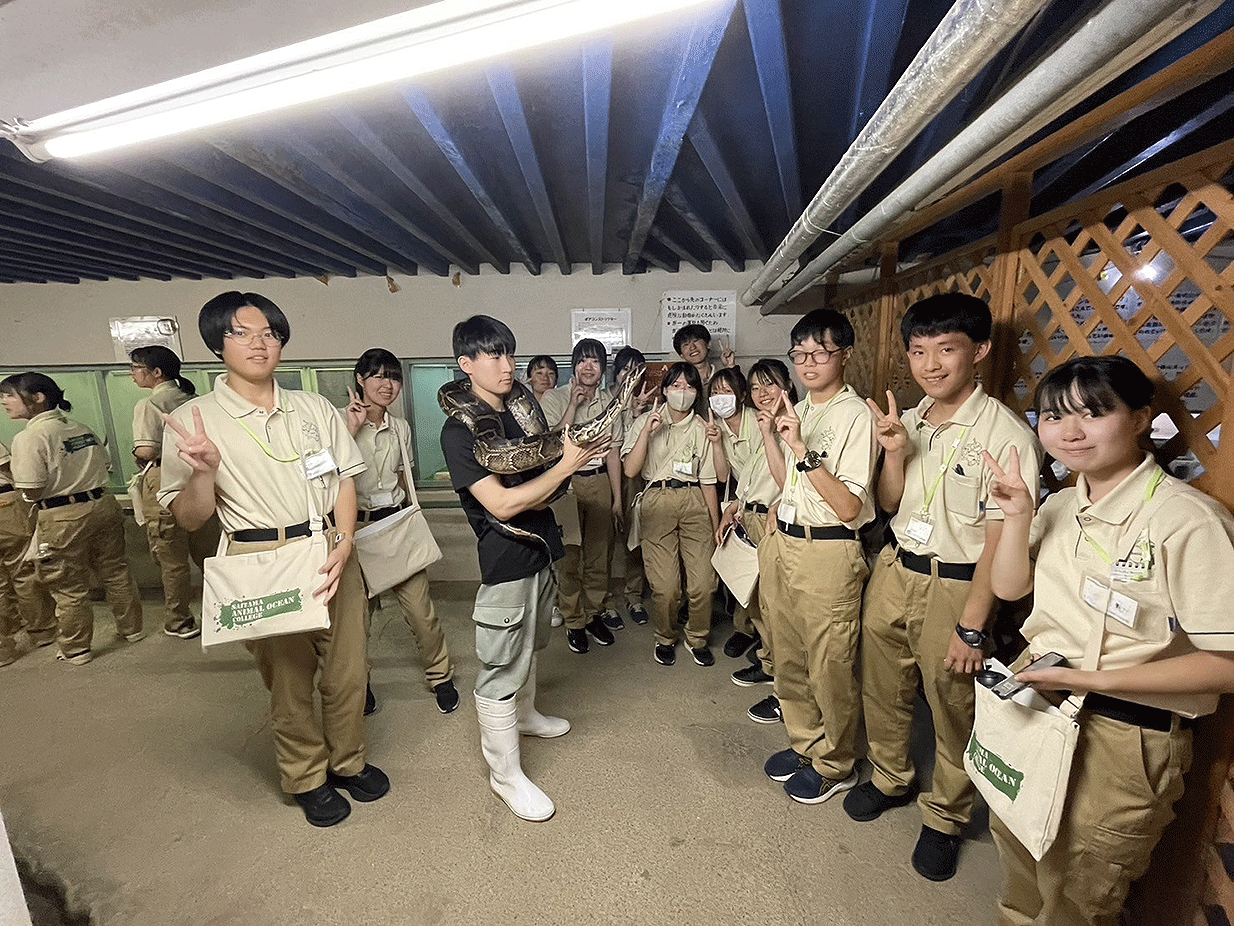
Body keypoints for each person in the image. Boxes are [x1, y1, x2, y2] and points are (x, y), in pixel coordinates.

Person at [984, 355, 1234, 926]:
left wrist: (1089, 679)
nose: (1069, 432)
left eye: (1093, 414)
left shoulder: (1187, 520)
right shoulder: (1061, 503)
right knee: (1017, 850)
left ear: (1141, 418)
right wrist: (1018, 516)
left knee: (1078, 890)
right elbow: (1010, 586)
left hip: (1123, 732)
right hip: (1039, 702)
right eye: (1053, 417)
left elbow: (1226, 664)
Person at [160, 292, 387, 828]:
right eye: (242, 333)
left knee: (349, 672)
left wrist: (346, 541)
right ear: (217, 344)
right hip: (259, 557)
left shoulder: (313, 408)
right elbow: (189, 518)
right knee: (289, 680)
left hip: (330, 548)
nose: (259, 344)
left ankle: (348, 761)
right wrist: (203, 471)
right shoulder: (193, 420)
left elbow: (343, 480)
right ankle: (307, 777)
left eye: (270, 333)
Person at [846, 293, 1043, 882]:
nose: (930, 364)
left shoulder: (1005, 435)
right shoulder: (908, 420)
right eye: (918, 351)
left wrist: (973, 624)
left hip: (957, 585)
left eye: (946, 349)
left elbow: (999, 542)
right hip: (896, 567)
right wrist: (894, 455)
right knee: (882, 683)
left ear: (978, 352)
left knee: (953, 703)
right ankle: (890, 776)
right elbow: (889, 504)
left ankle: (947, 814)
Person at [440, 315, 610, 822]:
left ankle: (527, 715)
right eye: (494, 355)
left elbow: (542, 478)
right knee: (500, 665)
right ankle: (505, 775)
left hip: (540, 547)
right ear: (466, 364)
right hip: (506, 556)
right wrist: (568, 465)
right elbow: (502, 503)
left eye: (509, 354)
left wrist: (566, 461)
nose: (507, 365)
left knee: (531, 644)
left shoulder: (520, 412)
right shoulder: (459, 432)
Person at [757, 309, 876, 805]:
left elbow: (849, 507)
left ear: (844, 355)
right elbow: (791, 486)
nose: (807, 363)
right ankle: (806, 744)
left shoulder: (856, 416)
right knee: (789, 656)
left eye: (819, 353)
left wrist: (803, 450)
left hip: (828, 549)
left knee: (830, 665)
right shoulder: (800, 407)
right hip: (785, 542)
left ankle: (837, 762)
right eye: (799, 354)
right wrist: (775, 437)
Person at [344, 348, 459, 715]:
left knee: (422, 613)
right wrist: (350, 431)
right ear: (360, 379)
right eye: (378, 376)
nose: (388, 384)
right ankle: (359, 683)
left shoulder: (401, 427)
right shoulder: (338, 422)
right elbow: (324, 478)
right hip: (356, 530)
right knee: (356, 621)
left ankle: (440, 676)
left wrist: (412, 515)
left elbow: (403, 476)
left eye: (394, 377)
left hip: (395, 526)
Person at [2, 373, 144, 665]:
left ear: (38, 397)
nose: (5, 401)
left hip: (62, 515)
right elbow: (105, 463)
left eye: (10, 395)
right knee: (115, 570)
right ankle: (132, 629)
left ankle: (76, 648)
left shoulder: (29, 437)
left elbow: (31, 487)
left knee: (68, 585)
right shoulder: (80, 428)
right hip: (102, 504)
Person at [621, 362, 720, 667]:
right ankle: (665, 636)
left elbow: (709, 482)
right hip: (657, 498)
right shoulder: (646, 421)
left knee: (704, 583)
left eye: (689, 386)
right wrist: (645, 433)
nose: (682, 392)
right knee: (665, 587)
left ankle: (697, 637)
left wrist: (717, 526)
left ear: (697, 393)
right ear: (664, 390)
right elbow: (631, 470)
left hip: (694, 500)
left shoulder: (703, 427)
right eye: (676, 385)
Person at [718, 359, 797, 723]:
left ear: (787, 386)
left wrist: (778, 504)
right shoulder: (764, 424)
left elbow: (795, 483)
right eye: (755, 387)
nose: (762, 393)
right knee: (756, 602)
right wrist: (733, 507)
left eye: (770, 384)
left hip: (773, 524)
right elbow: (749, 479)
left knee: (776, 609)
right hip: (749, 516)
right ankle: (768, 665)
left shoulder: (794, 426)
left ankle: (786, 689)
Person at [129, 345, 219, 640]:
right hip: (201, 477)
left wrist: (140, 455)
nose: (132, 374)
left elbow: (145, 450)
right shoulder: (193, 399)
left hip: (164, 477)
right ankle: (222, 611)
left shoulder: (149, 404)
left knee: (172, 559)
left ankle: (180, 620)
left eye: (136, 368)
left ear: (156, 372)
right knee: (210, 555)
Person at [539, 339, 621, 649]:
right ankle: (573, 620)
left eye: (595, 361)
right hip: (566, 484)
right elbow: (551, 443)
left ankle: (593, 614)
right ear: (574, 366)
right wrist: (573, 405)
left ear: (602, 369)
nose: (588, 367)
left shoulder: (611, 403)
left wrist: (617, 498)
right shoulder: (554, 398)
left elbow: (613, 454)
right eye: (583, 361)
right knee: (569, 557)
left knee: (599, 556)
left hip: (599, 481)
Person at [705, 366, 758, 658]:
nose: (720, 397)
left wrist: (739, 504)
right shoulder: (718, 428)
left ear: (741, 395)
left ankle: (764, 635)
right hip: (741, 502)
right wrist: (716, 444)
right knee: (743, 566)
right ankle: (743, 628)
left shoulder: (757, 422)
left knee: (765, 572)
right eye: (715, 392)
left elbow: (767, 473)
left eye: (726, 391)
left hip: (766, 501)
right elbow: (723, 475)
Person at [0, 438, 55, 666]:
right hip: (4, 504)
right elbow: (8, 469)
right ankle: (43, 630)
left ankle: (3, 648)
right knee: (23, 569)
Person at [612, 347, 653, 626]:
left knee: (634, 537)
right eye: (626, 369)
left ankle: (634, 595)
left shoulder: (648, 402)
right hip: (604, 476)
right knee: (601, 543)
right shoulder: (605, 400)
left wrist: (638, 413)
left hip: (635, 479)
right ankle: (601, 602)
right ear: (616, 372)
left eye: (637, 370)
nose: (631, 375)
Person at [672, 323, 736, 389]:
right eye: (686, 345)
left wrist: (730, 366)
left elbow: (738, 391)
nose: (692, 347)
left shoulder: (722, 374)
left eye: (696, 341)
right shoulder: (678, 382)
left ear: (708, 344)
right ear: (681, 355)